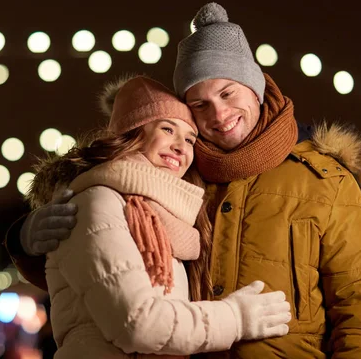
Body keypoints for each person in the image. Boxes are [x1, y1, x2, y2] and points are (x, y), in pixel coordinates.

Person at [5, 3, 361, 358]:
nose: (219, 113)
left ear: (255, 88)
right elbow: (97, 271)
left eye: (228, 92)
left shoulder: (324, 181)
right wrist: (25, 238)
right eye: (199, 104)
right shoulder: (170, 178)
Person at [22, 75, 291, 358]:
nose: (181, 147)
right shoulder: (97, 201)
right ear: (133, 131)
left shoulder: (163, 214)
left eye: (190, 139)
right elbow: (136, 325)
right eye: (167, 129)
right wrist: (236, 318)